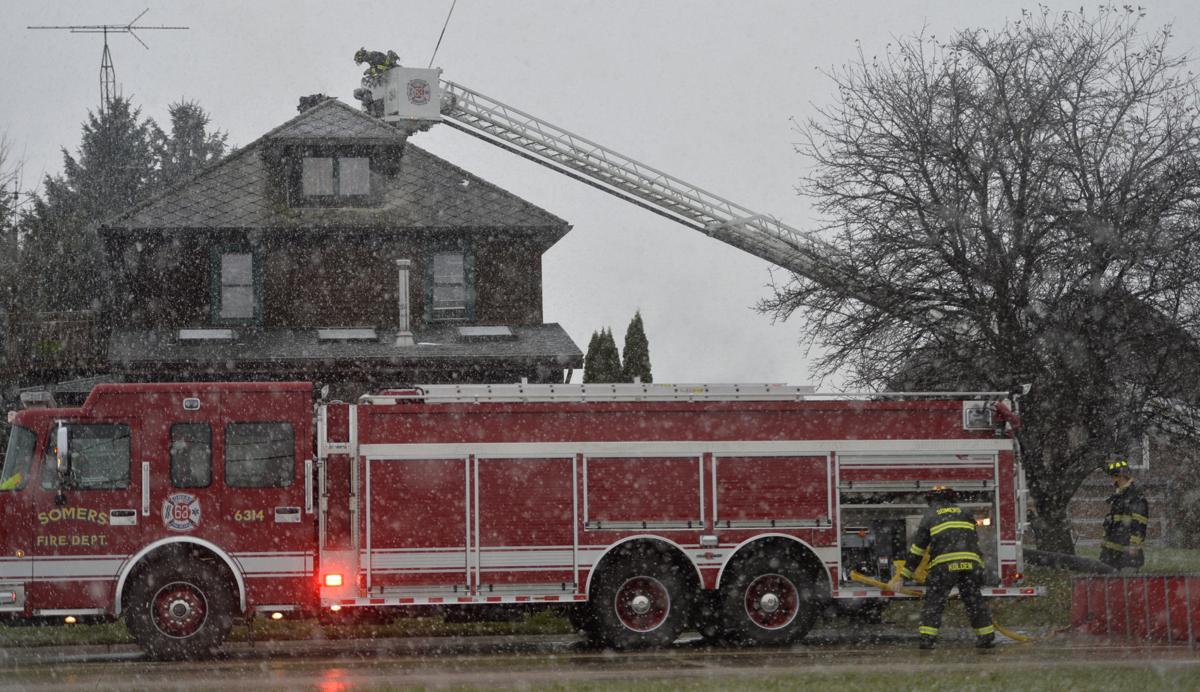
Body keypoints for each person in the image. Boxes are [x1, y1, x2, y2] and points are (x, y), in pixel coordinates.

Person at [891, 485, 995, 649]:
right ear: (952, 499)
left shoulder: (930, 516)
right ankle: (986, 636)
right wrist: (980, 570)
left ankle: (927, 639)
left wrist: (903, 576)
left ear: (931, 501)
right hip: (971, 565)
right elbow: (975, 543)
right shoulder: (965, 514)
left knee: (935, 601)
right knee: (974, 601)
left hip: (944, 568)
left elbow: (917, 550)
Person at [1099, 459, 1149, 573]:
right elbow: (1112, 522)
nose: (1113, 481)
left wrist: (1133, 545)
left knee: (1128, 583)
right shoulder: (1119, 496)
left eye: (1114, 477)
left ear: (1121, 477)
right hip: (1111, 552)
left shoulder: (1134, 496)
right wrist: (1105, 539)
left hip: (1127, 553)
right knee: (1107, 583)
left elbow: (1139, 522)